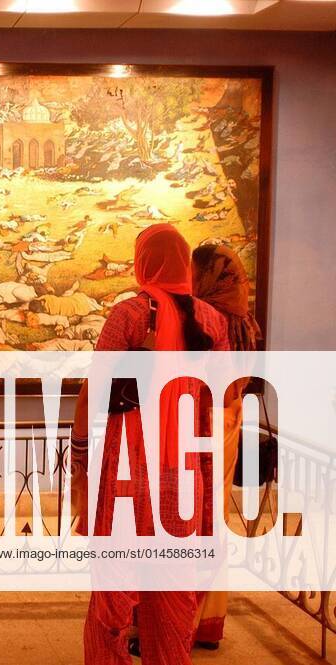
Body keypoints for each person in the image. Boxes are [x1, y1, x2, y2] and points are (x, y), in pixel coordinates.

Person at [72, 225, 229, 665]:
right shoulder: (212, 322)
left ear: (145, 263)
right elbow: (217, 397)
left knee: (114, 596)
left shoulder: (128, 315)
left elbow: (94, 392)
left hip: (128, 474)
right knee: (172, 597)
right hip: (182, 477)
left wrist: (80, 460)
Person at [190, 243, 262, 650]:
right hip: (229, 423)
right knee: (210, 521)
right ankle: (206, 621)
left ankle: (179, 618)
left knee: (184, 521)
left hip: (200, 424)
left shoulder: (205, 320)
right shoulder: (244, 322)